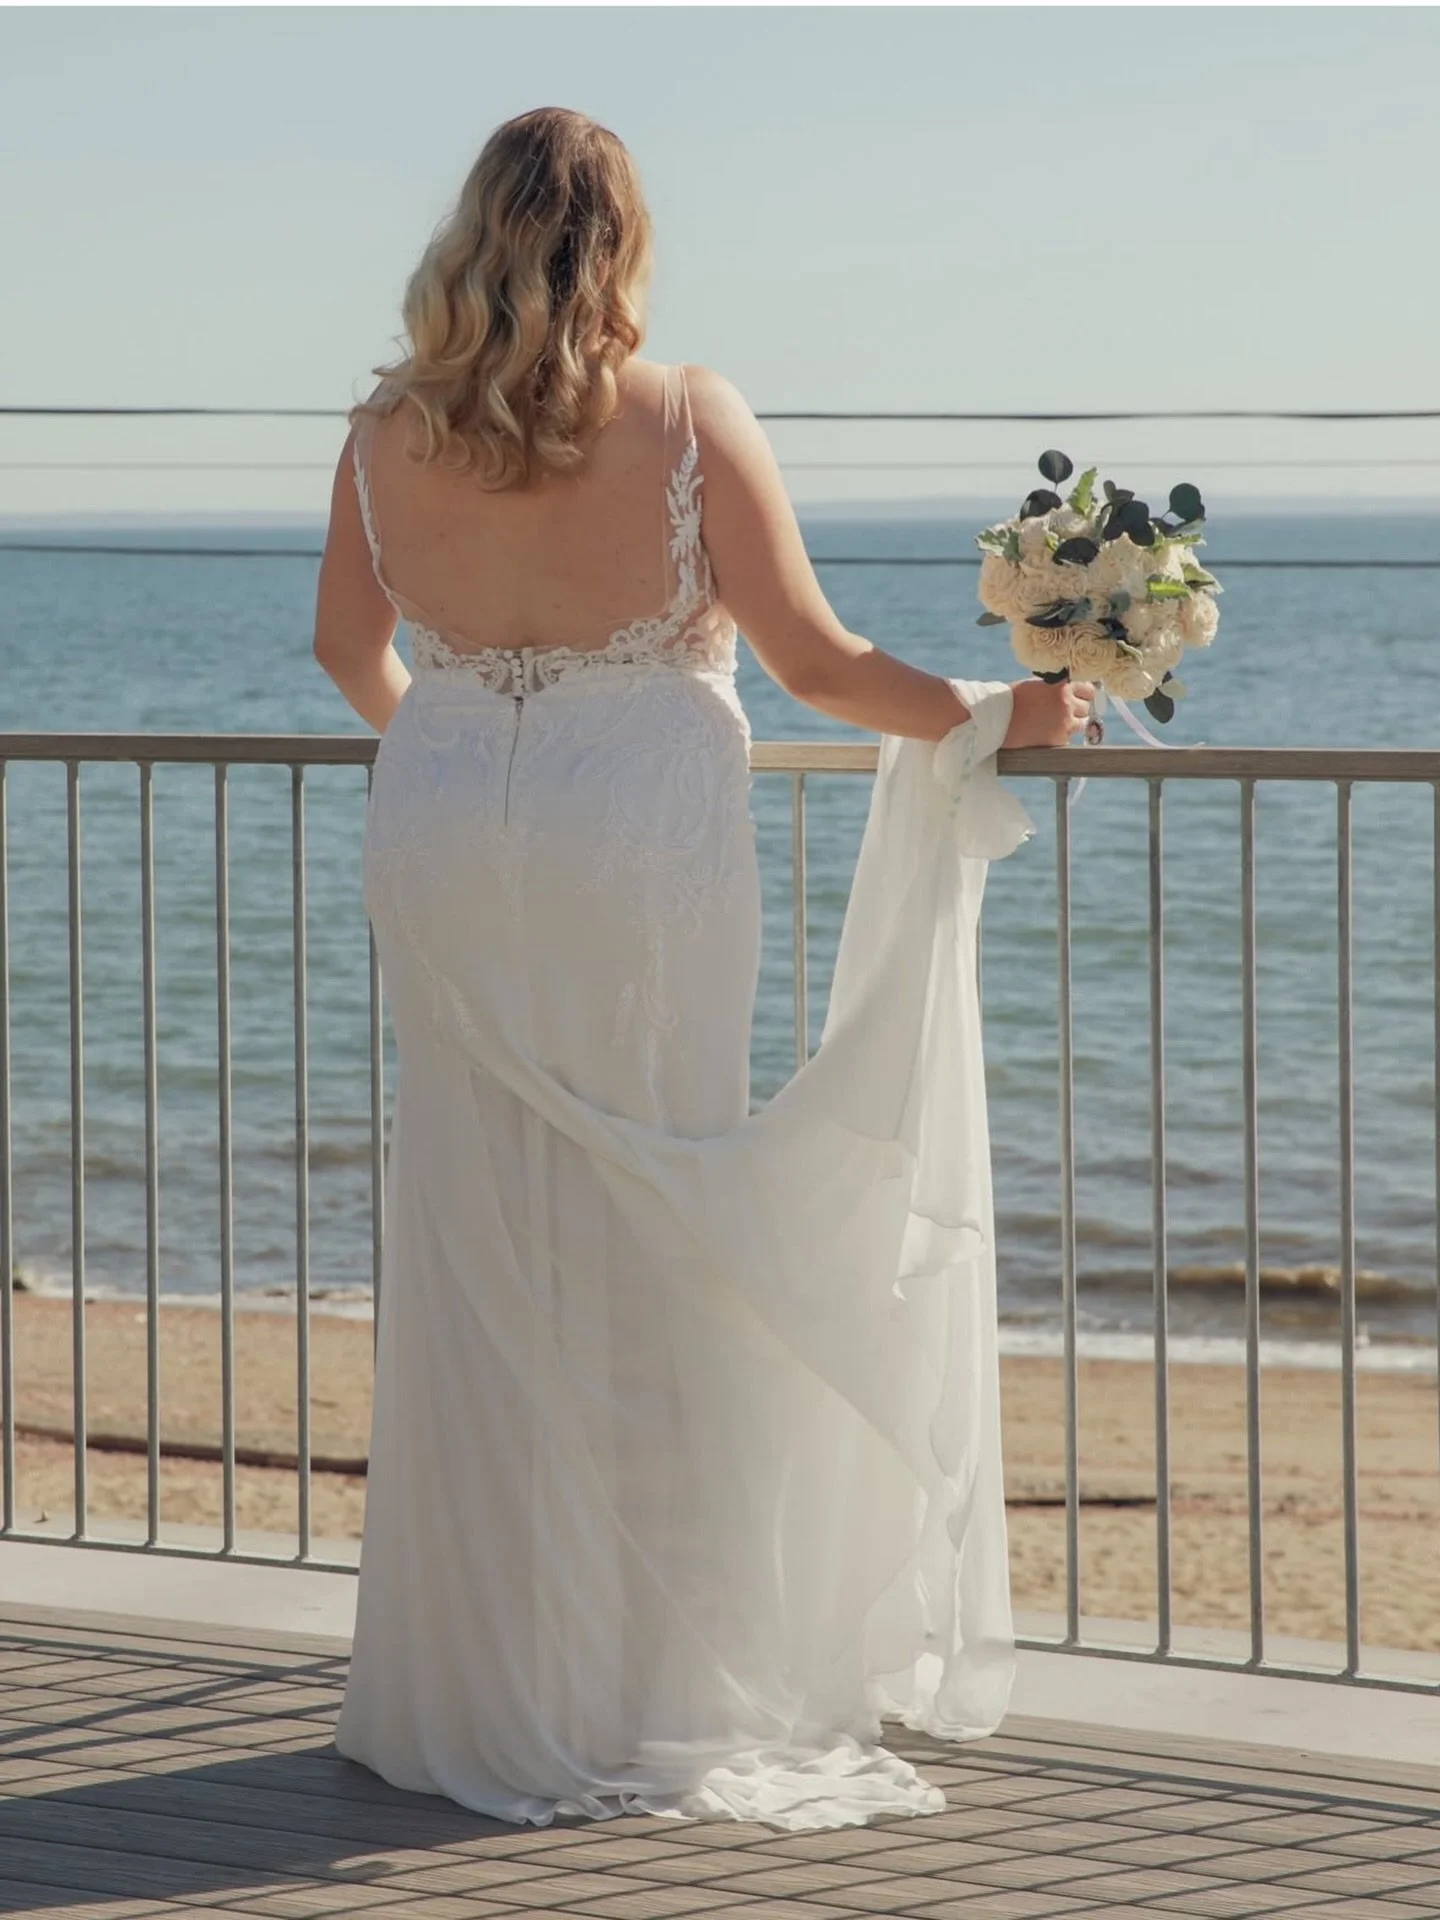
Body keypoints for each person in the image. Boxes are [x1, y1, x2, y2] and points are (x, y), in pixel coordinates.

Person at [314, 105, 1092, 1834]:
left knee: (478, 1217)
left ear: (472, 233)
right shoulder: (681, 413)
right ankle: (640, 1683)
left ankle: (475, 1675)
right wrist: (996, 713)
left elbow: (346, 649)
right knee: (652, 1219)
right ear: (623, 243)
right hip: (635, 846)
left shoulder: (384, 428)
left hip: (441, 828)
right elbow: (813, 660)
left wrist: (474, 751)